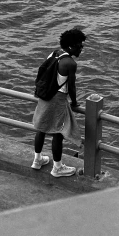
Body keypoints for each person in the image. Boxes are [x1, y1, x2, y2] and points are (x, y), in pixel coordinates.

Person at [31, 27, 87, 177]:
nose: (81, 49)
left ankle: (37, 160)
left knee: (41, 128)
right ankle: (57, 168)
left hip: (45, 96)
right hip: (57, 100)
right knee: (58, 133)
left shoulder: (55, 53)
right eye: (79, 45)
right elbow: (72, 87)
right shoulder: (70, 63)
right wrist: (74, 103)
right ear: (71, 46)